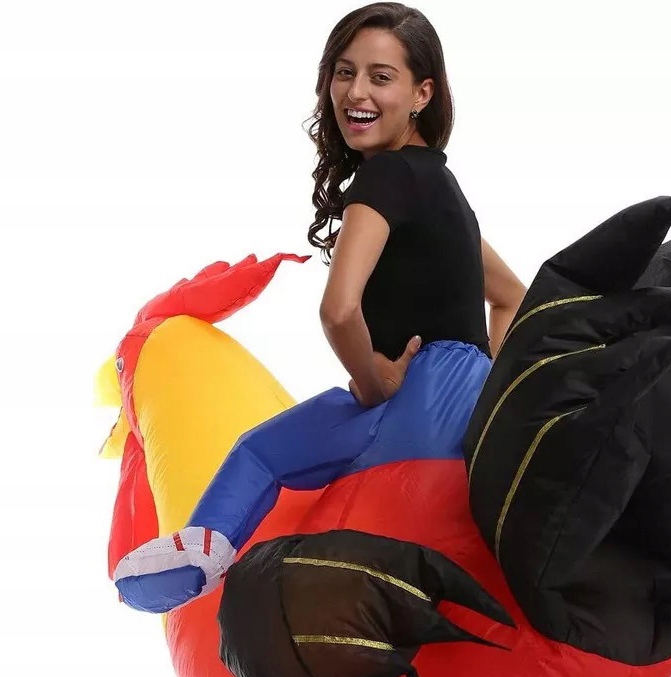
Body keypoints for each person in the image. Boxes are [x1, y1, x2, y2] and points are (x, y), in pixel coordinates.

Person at [112, 2, 528, 613]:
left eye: (381, 77)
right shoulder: (444, 191)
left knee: (259, 454)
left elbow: (338, 309)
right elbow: (512, 296)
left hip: (413, 397)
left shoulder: (384, 179)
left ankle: (201, 549)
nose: (355, 92)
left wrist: (375, 380)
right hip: (460, 397)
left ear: (422, 93)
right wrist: (486, 393)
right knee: (266, 446)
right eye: (344, 72)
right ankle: (204, 550)